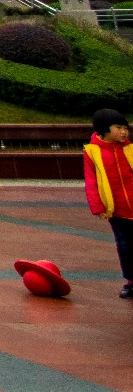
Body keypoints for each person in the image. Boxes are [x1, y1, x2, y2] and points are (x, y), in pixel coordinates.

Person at [82, 108, 133, 300]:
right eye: (118, 127)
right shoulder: (92, 152)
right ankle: (130, 281)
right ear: (105, 129)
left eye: (125, 128)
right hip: (117, 210)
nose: (123, 132)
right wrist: (97, 206)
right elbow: (91, 181)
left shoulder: (130, 149)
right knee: (125, 245)